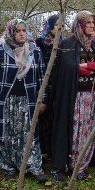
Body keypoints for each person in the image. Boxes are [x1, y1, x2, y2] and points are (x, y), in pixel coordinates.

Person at [50, 10, 95, 182]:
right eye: (87, 23)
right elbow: (68, 68)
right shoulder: (68, 44)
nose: (91, 25)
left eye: (92, 22)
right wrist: (88, 67)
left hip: (93, 98)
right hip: (73, 98)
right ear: (79, 25)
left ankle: (80, 165)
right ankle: (63, 165)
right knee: (71, 130)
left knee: (87, 131)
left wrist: (88, 65)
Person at [0, 19, 47, 181]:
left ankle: (33, 167)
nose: (22, 34)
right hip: (7, 101)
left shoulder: (35, 52)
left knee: (29, 134)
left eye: (24, 31)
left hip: (29, 100)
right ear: (11, 33)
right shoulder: (0, 52)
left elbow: (42, 78)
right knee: (7, 133)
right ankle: (8, 166)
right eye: (18, 31)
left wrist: (43, 99)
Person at [36, 14, 62, 159]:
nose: (61, 28)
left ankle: (52, 151)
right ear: (50, 26)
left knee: (55, 119)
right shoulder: (39, 43)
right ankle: (41, 151)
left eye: (63, 25)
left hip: (58, 87)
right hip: (43, 86)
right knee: (42, 119)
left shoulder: (63, 44)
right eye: (58, 25)